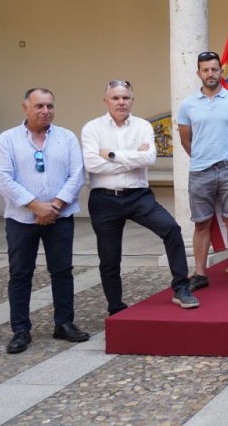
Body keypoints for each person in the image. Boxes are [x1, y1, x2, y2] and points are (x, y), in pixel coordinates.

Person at [82, 79, 197, 312]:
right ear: (106, 100)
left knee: (171, 230)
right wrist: (133, 158)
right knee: (109, 256)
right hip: (104, 199)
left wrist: (112, 155)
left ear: (132, 100)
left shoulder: (143, 126)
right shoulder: (92, 128)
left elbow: (149, 159)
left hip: (138, 197)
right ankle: (115, 306)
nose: (121, 102)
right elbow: (92, 164)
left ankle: (181, 288)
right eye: (115, 98)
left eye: (125, 98)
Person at [0, 88, 90, 354]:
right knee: (20, 274)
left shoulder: (66, 138)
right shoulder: (7, 140)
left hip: (60, 217)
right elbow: (3, 179)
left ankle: (64, 323)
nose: (45, 111)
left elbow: (77, 174)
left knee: (62, 271)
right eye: (39, 106)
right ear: (25, 107)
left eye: (49, 106)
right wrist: (35, 206)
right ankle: (21, 330)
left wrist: (55, 206)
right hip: (21, 219)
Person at [176, 51, 228, 292]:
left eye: (214, 69)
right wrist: (203, 157)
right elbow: (186, 140)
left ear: (221, 71)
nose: (210, 74)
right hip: (201, 171)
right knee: (201, 224)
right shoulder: (188, 104)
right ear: (198, 73)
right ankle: (200, 274)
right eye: (205, 70)